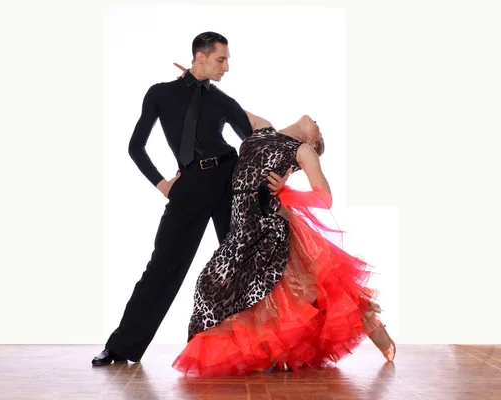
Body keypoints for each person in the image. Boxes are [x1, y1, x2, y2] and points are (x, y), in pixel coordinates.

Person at [92, 32, 290, 366]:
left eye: (227, 60)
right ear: (200, 56)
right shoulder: (160, 94)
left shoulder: (221, 99)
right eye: (221, 59)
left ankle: (268, 349)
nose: (226, 66)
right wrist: (161, 184)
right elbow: (135, 147)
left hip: (231, 182)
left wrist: (281, 174)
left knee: (246, 265)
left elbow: (257, 141)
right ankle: (121, 346)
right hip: (190, 184)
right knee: (162, 266)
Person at [171, 113, 396, 376]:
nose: (318, 123)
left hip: (270, 226)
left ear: (311, 140)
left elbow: (324, 198)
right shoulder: (263, 128)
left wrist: (286, 193)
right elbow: (226, 109)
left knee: (310, 291)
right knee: (217, 286)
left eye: (319, 131)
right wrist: (195, 82)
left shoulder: (303, 150)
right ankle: (268, 353)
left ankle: (373, 329)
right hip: (243, 228)